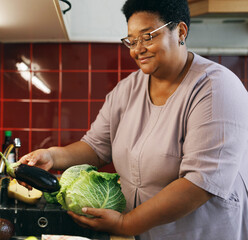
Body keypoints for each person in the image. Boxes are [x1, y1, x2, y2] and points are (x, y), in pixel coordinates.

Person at [19, 0, 248, 239]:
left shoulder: (216, 88)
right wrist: (52, 156)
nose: (137, 49)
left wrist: (125, 224)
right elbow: (96, 147)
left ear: (180, 31)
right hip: (145, 233)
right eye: (132, 40)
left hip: (203, 233)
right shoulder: (127, 89)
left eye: (148, 36)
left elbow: (199, 183)